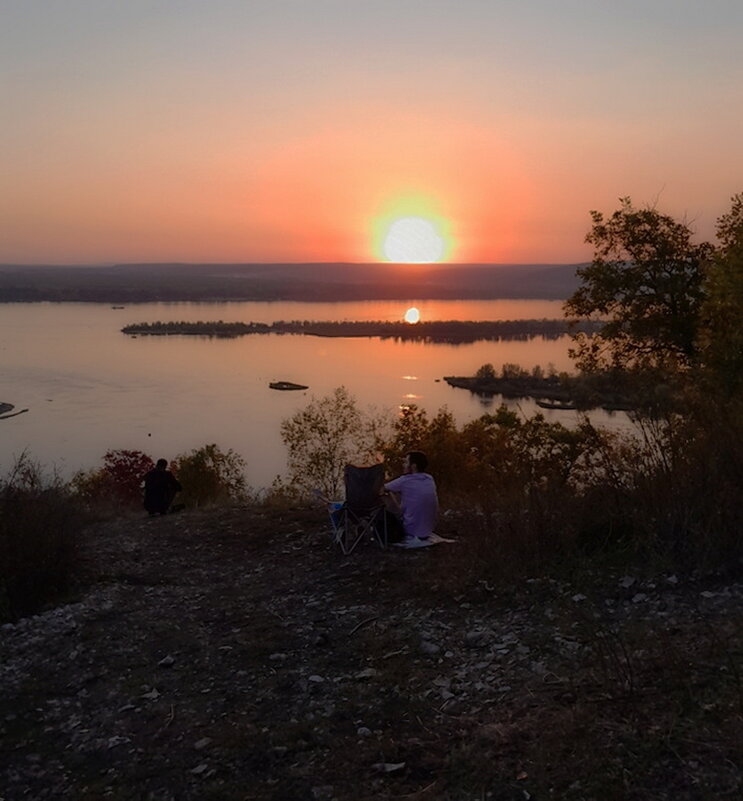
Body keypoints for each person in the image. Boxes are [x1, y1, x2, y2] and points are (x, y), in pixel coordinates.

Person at [383, 451, 438, 547]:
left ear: (413, 466)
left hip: (411, 529)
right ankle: (400, 512)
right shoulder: (429, 478)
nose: (403, 465)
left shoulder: (405, 480)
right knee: (398, 492)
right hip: (428, 530)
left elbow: (381, 488)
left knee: (384, 495)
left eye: (406, 462)